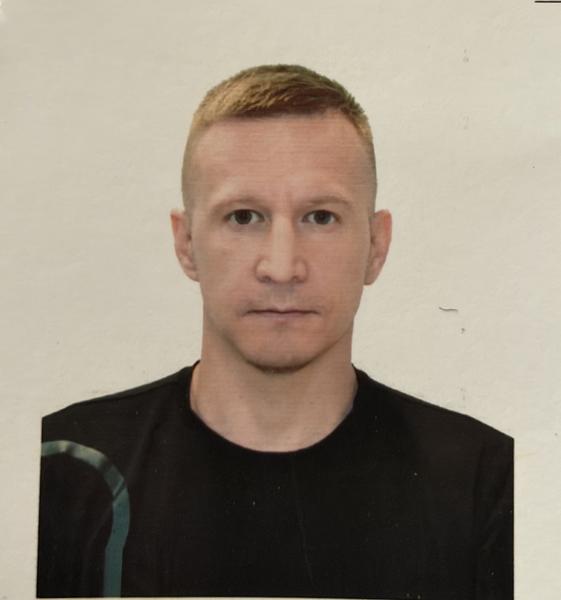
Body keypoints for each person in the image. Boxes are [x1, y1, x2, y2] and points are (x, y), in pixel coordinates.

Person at [37, 64, 513, 599]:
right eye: (244, 217)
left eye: (320, 217)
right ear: (186, 243)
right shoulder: (60, 468)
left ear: (376, 246)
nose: (282, 267)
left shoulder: (490, 483)